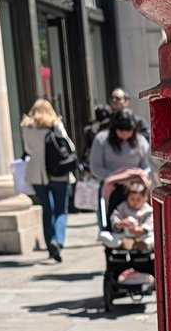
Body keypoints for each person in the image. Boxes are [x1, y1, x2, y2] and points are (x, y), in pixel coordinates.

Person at [22, 98, 78, 262]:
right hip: (58, 172)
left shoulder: (27, 126)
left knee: (47, 210)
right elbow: (69, 146)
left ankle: (50, 246)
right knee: (60, 210)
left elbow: (28, 149)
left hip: (37, 174)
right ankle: (57, 241)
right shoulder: (55, 124)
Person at [89, 109, 150, 224]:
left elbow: (147, 165)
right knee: (111, 219)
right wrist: (118, 178)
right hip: (112, 188)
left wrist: (137, 177)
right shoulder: (101, 139)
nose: (125, 134)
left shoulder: (140, 140)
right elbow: (95, 167)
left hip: (136, 188)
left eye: (128, 131)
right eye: (121, 131)